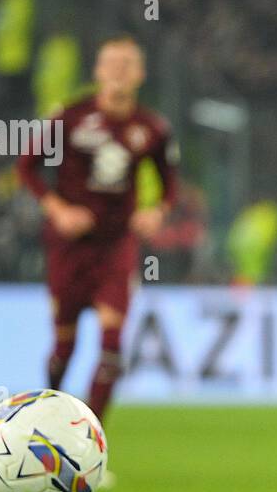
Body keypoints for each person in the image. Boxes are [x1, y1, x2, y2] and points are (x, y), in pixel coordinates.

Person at [17, 35, 178, 423]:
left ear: (140, 74)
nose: (119, 71)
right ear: (98, 71)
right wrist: (57, 209)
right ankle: (50, 423)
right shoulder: (70, 117)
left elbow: (169, 182)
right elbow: (26, 167)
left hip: (116, 246)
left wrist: (157, 210)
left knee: (111, 345)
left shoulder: (151, 128)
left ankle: (90, 443)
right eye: (112, 63)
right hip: (69, 247)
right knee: (64, 347)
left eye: (128, 64)